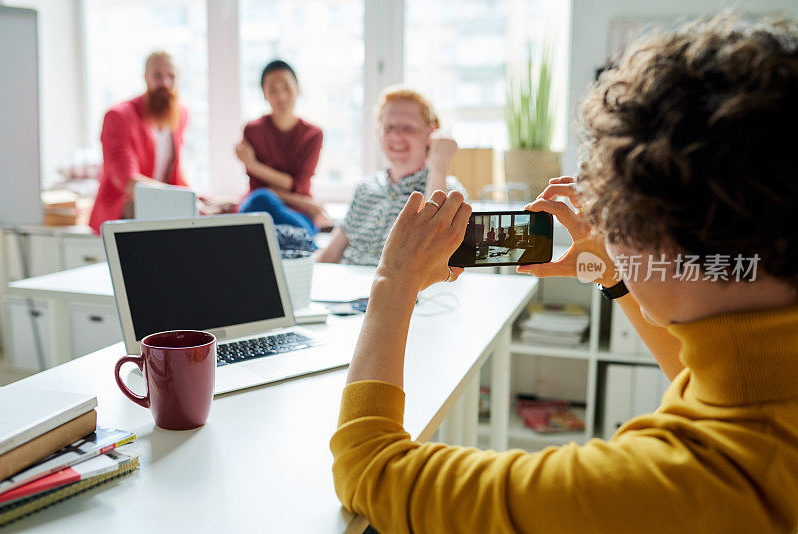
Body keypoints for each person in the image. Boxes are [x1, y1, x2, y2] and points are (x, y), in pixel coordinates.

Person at [330, 17, 798, 533]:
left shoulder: (646, 486)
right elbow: (706, 377)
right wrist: (616, 274)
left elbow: (368, 466)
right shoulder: (759, 390)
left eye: (609, 209)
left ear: (656, 234)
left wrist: (392, 283)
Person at [315, 86, 464, 266]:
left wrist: (439, 166)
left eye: (408, 127)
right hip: (348, 288)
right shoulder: (365, 188)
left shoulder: (449, 191)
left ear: (431, 133)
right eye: (389, 127)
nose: (396, 135)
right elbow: (328, 257)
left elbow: (436, 254)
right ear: (379, 132)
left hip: (398, 292)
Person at [89, 51, 189, 233]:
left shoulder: (180, 114)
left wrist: (201, 198)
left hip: (163, 206)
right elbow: (128, 181)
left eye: (171, 76)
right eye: (158, 76)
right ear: (146, 77)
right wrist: (184, 198)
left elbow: (174, 174)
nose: (165, 83)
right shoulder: (118, 116)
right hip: (124, 211)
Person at [235, 60, 324, 236]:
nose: (281, 96)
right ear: (264, 94)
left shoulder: (313, 134)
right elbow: (258, 189)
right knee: (261, 200)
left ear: (298, 89)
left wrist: (253, 164)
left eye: (286, 87)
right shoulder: (252, 130)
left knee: (287, 227)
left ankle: (298, 241)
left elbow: (297, 184)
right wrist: (305, 201)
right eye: (273, 89)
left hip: (296, 211)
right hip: (259, 207)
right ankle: (298, 241)